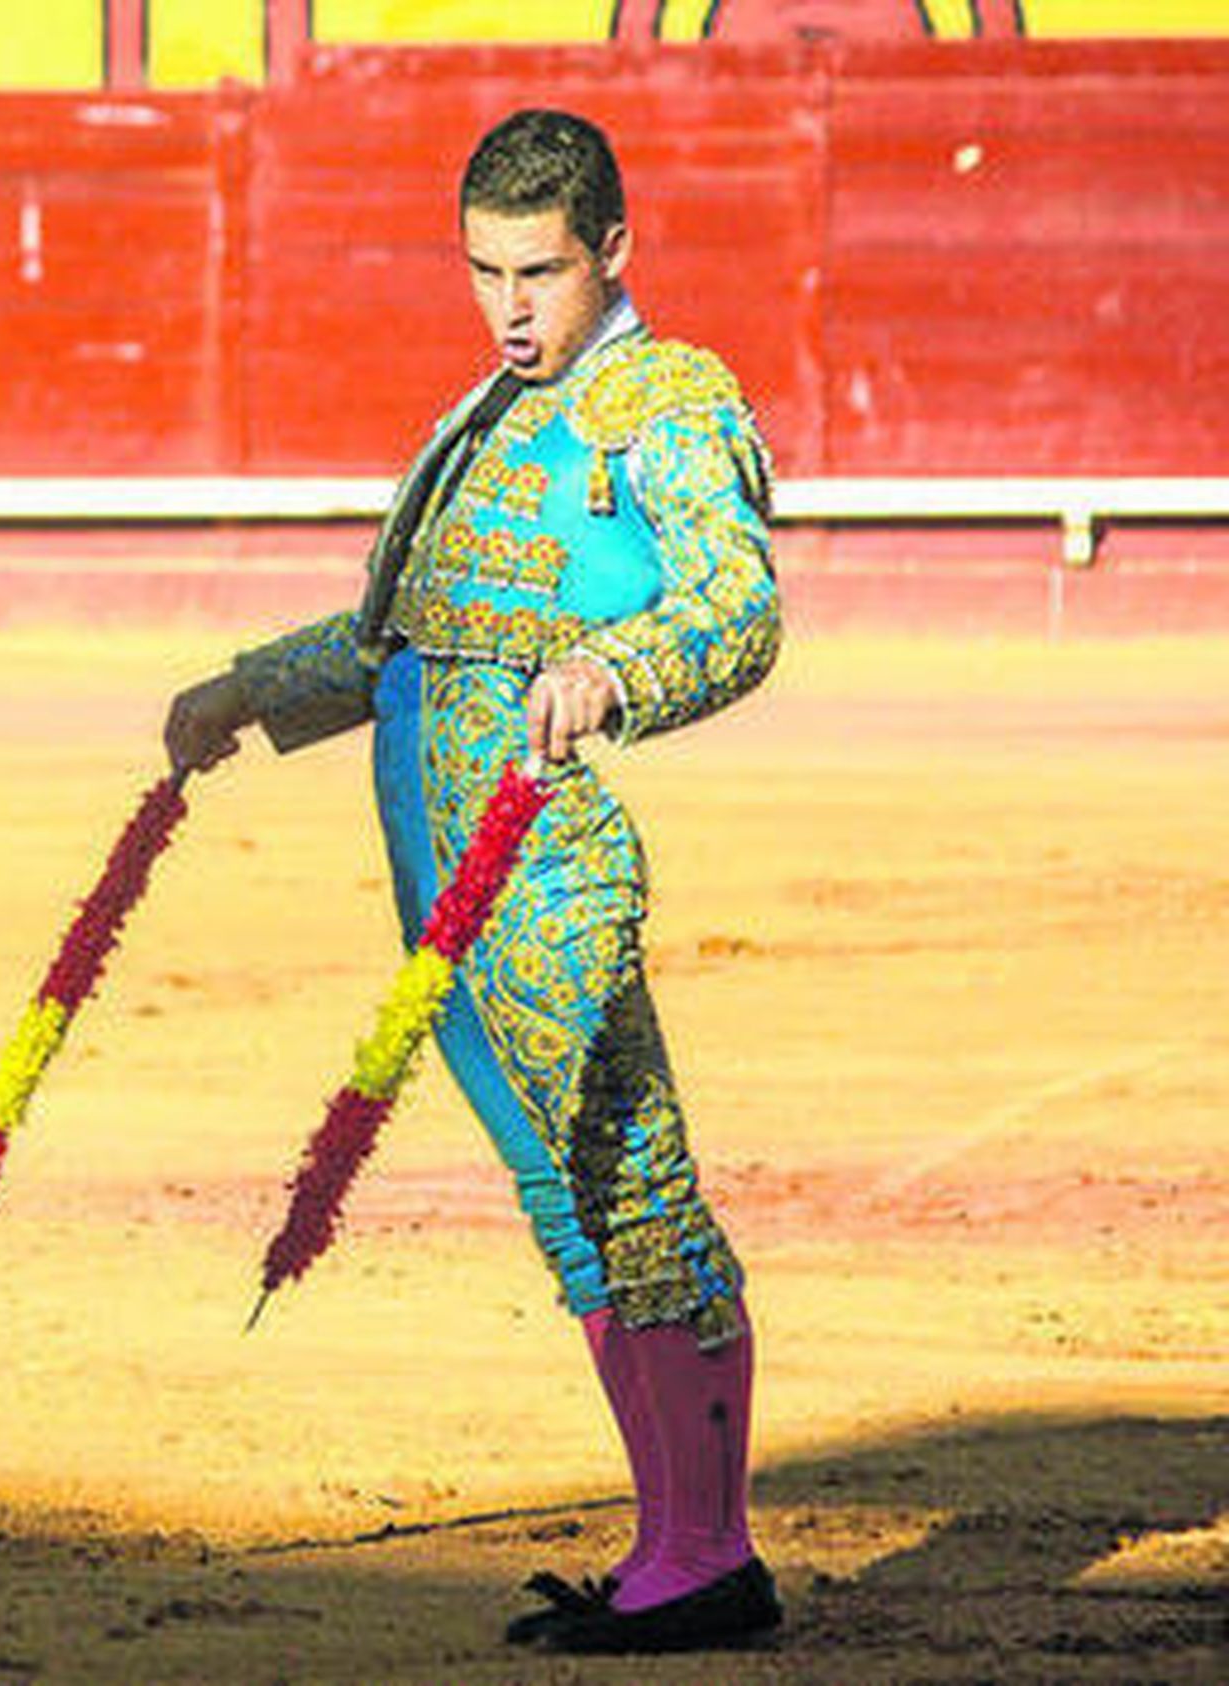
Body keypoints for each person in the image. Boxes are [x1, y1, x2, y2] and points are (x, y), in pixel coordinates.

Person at [165, 108, 782, 1655]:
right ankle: (670, 1544)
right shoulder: (498, 414)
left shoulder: (666, 404)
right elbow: (405, 636)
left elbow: (740, 607)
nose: (512, 306)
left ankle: (709, 1554)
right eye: (486, 271)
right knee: (567, 1207)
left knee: (632, 1188)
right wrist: (252, 688)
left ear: (613, 253)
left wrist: (611, 665)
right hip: (443, 897)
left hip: (552, 878)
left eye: (542, 272)